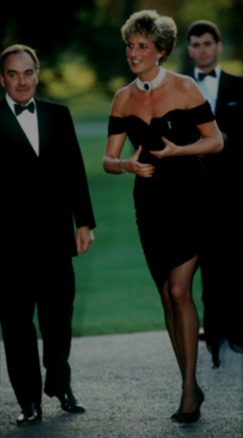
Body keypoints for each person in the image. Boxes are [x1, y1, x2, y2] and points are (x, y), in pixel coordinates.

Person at [101, 10, 223, 423]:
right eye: (129, 45)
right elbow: (108, 159)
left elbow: (215, 141)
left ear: (161, 50)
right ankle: (190, 382)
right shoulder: (123, 98)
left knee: (179, 290)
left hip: (190, 199)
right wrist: (126, 166)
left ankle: (188, 391)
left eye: (142, 46)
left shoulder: (185, 87)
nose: (133, 53)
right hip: (149, 205)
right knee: (166, 298)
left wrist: (177, 152)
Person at [0, 43, 96, 426]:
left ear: (37, 75)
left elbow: (75, 170)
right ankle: (29, 402)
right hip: (8, 247)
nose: (21, 81)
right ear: (2, 79)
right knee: (16, 327)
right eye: (13, 74)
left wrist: (84, 222)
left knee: (59, 322)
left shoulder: (59, 114)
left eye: (28, 73)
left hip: (56, 240)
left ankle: (60, 384)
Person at [185, 19, 243, 369]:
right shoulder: (178, 87)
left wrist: (224, 140)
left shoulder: (238, 85)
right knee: (205, 267)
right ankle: (213, 337)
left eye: (207, 43)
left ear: (218, 47)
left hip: (233, 191)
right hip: (192, 192)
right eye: (196, 44)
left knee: (234, 263)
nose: (202, 50)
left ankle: (235, 334)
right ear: (189, 49)